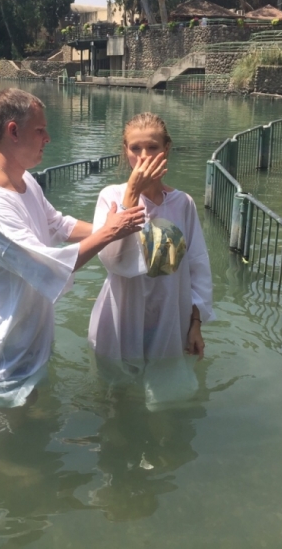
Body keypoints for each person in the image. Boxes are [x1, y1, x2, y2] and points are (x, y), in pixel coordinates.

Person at [0, 88, 145, 408]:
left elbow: (58, 225)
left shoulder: (23, 180)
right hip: (3, 362)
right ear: (13, 131)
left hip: (30, 345)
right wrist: (111, 232)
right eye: (41, 130)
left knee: (36, 436)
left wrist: (114, 228)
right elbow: (49, 265)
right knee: (2, 452)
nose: (48, 138)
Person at [88, 113, 215, 408]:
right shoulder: (111, 197)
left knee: (165, 406)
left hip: (170, 320)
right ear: (125, 151)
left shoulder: (183, 203)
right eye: (135, 149)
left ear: (166, 149)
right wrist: (132, 194)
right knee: (116, 404)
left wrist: (195, 323)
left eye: (152, 147)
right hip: (120, 318)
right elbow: (112, 260)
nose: (143, 157)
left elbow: (197, 267)